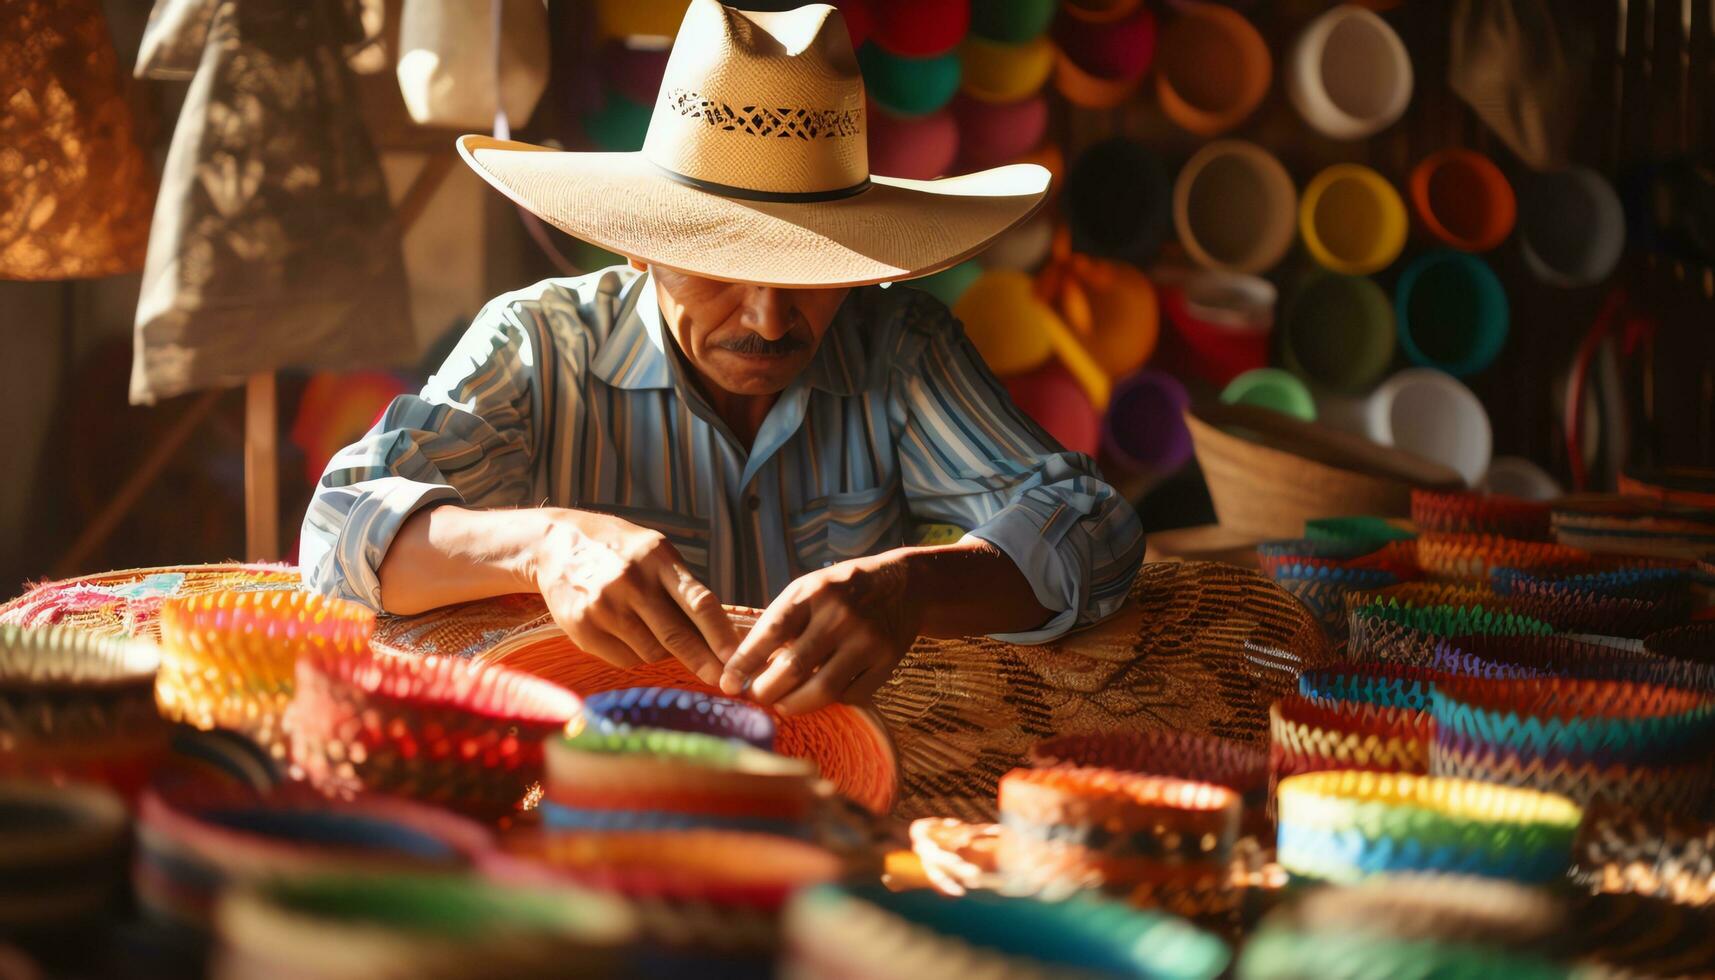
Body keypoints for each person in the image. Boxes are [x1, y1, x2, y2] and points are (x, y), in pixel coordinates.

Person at [301, 0, 1143, 715]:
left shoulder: (898, 349)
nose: (769, 319)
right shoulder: (541, 342)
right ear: (640, 246)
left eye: (813, 274)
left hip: (842, 782)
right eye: (721, 269)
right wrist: (545, 544)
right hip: (593, 784)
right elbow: (339, 531)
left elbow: (1091, 524)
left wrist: (911, 586)